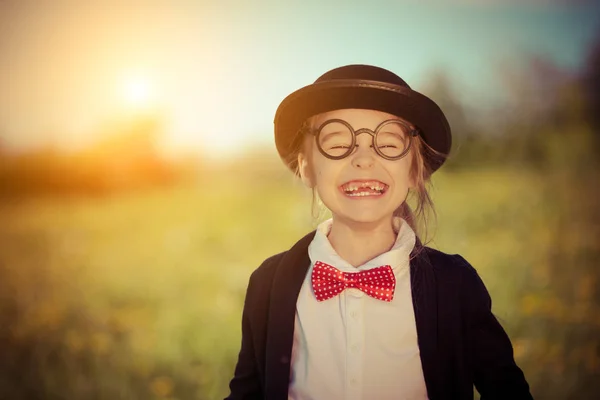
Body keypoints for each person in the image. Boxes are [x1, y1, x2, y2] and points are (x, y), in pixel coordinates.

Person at [225, 65, 532, 400]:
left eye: (387, 143)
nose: (364, 159)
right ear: (306, 166)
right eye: (337, 142)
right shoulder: (268, 285)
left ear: (415, 169)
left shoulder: (456, 284)